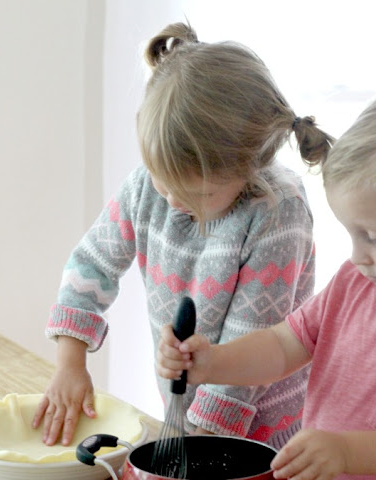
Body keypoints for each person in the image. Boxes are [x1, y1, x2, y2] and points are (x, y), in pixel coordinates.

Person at [33, 22, 333, 450]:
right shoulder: (150, 186)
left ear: (250, 164)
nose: (171, 201)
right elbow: (91, 264)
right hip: (189, 419)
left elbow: (248, 345)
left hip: (265, 436)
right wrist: (70, 362)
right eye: (161, 181)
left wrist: (198, 443)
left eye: (198, 193)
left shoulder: (277, 212)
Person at [157, 88, 376, 480]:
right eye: (351, 235)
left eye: (374, 236)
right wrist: (212, 364)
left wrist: (346, 451)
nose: (357, 256)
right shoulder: (354, 282)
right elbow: (284, 345)